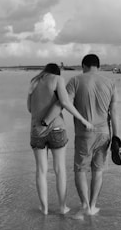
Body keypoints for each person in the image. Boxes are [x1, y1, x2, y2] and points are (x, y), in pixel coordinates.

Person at [42, 54, 119, 217]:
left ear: (83, 65)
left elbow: (62, 103)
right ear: (98, 66)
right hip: (105, 133)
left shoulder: (76, 81)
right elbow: (114, 112)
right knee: (98, 171)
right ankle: (92, 206)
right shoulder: (110, 83)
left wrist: (46, 120)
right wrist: (117, 137)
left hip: (85, 134)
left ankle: (84, 205)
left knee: (80, 170)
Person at [27, 63, 93, 215]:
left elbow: (29, 108)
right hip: (57, 128)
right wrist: (83, 120)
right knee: (59, 169)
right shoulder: (58, 79)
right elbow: (64, 102)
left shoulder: (34, 82)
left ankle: (44, 208)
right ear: (57, 72)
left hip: (37, 129)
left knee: (41, 170)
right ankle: (62, 207)